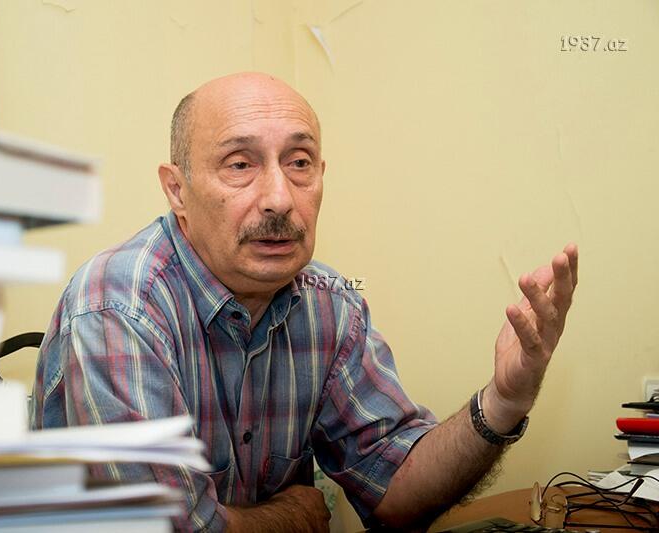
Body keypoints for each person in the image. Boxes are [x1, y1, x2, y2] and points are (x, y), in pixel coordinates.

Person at [30, 72, 578, 532]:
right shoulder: (118, 307)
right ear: (177, 190)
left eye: (299, 162)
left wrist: (503, 401)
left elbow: (394, 489)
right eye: (239, 164)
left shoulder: (328, 305)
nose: (279, 198)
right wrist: (290, 515)